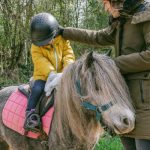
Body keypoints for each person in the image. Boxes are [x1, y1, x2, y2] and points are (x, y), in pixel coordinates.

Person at [56, 0, 150, 149]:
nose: (105, 8)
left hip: (146, 103)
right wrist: (63, 32)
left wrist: (112, 64)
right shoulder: (123, 20)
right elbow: (97, 37)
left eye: (106, 3)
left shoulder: (147, 14)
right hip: (124, 100)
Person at [24, 12, 75, 132]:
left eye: (47, 40)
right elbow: (40, 61)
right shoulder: (35, 46)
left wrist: (66, 70)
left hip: (64, 74)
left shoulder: (63, 40)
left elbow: (69, 54)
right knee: (37, 89)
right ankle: (30, 114)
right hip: (43, 75)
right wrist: (51, 74)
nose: (45, 44)